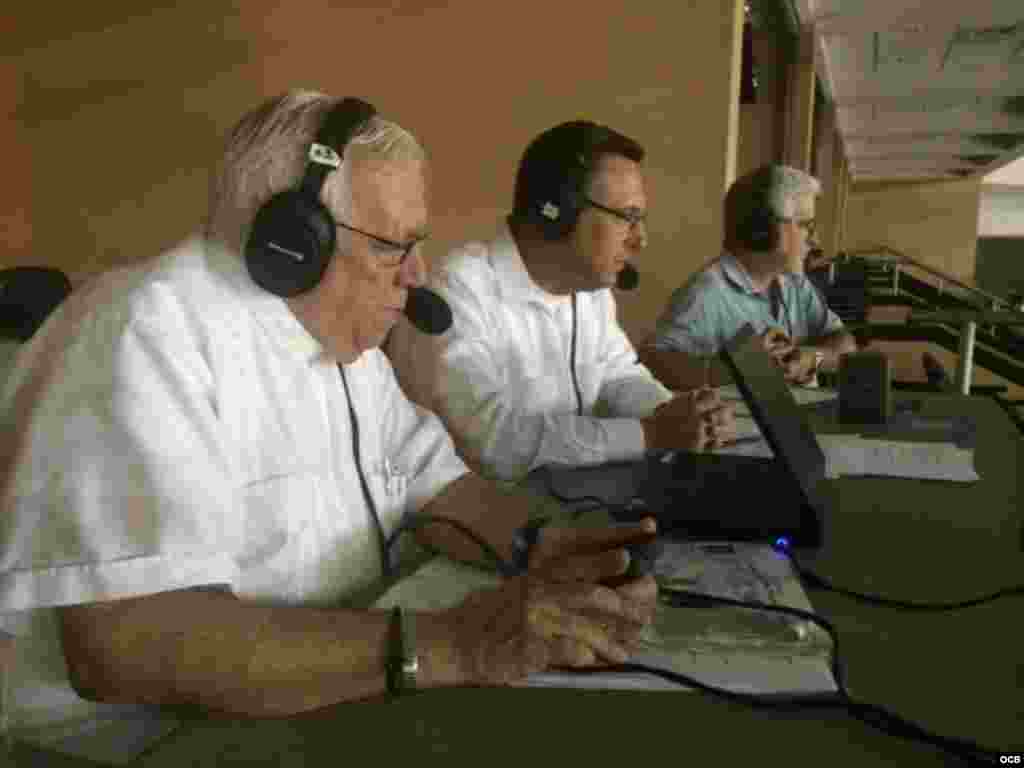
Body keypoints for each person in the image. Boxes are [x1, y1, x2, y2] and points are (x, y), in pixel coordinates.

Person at [0, 92, 657, 762]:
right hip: (143, 744)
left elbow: (435, 485)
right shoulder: (143, 331)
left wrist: (548, 543)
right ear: (292, 240)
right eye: (391, 246)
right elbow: (127, 645)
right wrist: (457, 643)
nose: (416, 274)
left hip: (311, 702)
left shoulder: (337, 333)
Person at [387, 121, 735, 482]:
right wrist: (649, 435)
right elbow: (489, 439)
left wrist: (677, 414)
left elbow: (618, 375)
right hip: (488, 509)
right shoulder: (459, 289)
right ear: (556, 212)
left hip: (575, 498)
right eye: (627, 218)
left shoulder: (590, 290)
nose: (640, 240)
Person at [641, 164, 857, 391]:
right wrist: (741, 367)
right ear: (763, 229)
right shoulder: (707, 293)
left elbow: (845, 344)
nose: (815, 240)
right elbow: (653, 365)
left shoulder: (794, 283)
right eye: (806, 225)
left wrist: (811, 357)